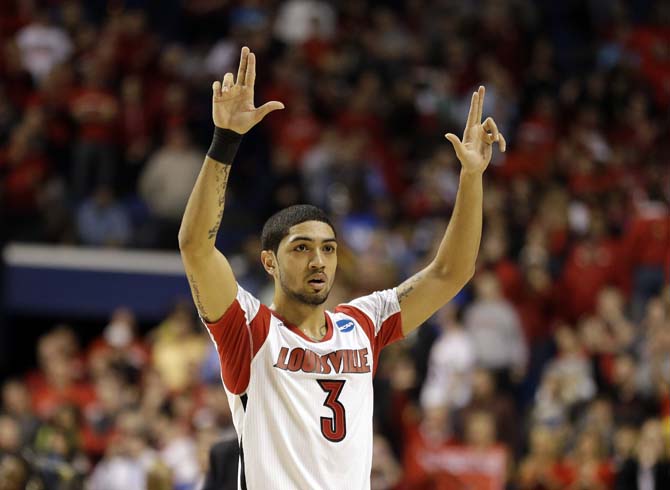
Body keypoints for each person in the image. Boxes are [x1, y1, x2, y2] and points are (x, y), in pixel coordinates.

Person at [178, 46, 506, 490]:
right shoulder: (250, 330)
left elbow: (451, 273)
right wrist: (225, 141)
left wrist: (471, 178)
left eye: (329, 249)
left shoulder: (363, 323)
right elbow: (196, 247)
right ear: (269, 261)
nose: (318, 260)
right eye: (301, 249)